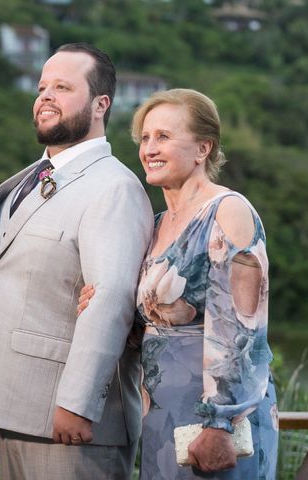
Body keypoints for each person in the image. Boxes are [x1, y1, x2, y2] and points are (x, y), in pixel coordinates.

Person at [0, 43, 154, 479]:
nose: (46, 96)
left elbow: (110, 300)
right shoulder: (28, 178)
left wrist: (77, 403)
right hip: (19, 407)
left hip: (70, 422)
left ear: (101, 104)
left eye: (63, 87)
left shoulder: (114, 189)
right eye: (42, 87)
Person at [78, 88, 278, 479]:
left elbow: (242, 330)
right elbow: (142, 328)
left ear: (203, 148)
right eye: (146, 138)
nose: (150, 148)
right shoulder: (154, 225)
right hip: (163, 415)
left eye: (164, 137)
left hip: (217, 420)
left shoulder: (227, 210)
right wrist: (96, 303)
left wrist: (219, 423)